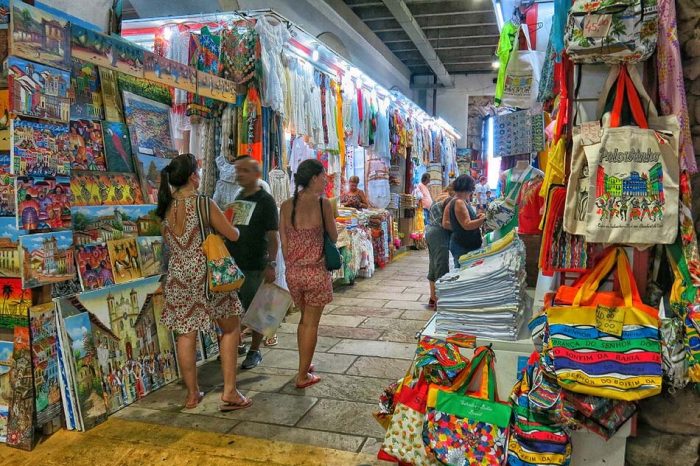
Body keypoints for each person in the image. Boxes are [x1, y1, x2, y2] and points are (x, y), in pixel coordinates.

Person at [157, 153, 252, 412]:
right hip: (208, 275)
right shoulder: (203, 203)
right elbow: (231, 234)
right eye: (198, 171)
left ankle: (191, 395)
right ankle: (230, 391)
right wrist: (233, 225)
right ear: (192, 176)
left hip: (178, 275)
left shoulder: (165, 206)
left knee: (186, 334)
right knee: (230, 328)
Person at [279, 159, 337, 389]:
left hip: (294, 274)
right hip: (315, 274)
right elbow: (332, 236)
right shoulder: (322, 204)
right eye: (323, 176)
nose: (325, 180)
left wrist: (293, 263)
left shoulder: (286, 205)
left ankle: (305, 364)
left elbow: (283, 242)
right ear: (314, 178)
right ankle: (302, 375)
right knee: (310, 324)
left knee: (304, 321)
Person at [226, 156, 280, 370]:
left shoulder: (266, 201)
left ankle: (255, 350)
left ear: (256, 174)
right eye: (238, 170)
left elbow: (273, 235)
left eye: (244, 170)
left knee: (257, 310)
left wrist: (272, 263)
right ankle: (236, 343)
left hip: (255, 263)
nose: (239, 174)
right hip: (235, 263)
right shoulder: (238, 196)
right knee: (235, 308)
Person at [442, 175, 485, 268]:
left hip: (463, 244)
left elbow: (463, 220)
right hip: (462, 245)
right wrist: (483, 220)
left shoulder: (461, 201)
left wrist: (476, 218)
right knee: (463, 273)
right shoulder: (459, 202)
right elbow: (467, 225)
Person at [425, 183, 454, 309]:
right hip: (439, 233)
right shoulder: (449, 200)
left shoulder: (440, 197)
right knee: (441, 266)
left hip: (431, 231)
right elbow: (446, 222)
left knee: (434, 265)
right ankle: (440, 302)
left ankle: (433, 298)